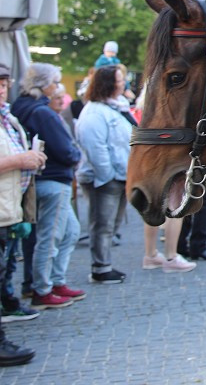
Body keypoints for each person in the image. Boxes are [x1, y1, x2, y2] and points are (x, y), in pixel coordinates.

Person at [9, 64, 84, 309]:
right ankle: (43, 288)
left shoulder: (21, 108)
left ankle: (53, 281)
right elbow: (65, 150)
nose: (56, 88)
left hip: (42, 179)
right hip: (52, 179)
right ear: (43, 86)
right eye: (54, 83)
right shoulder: (41, 112)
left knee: (67, 232)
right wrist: (74, 156)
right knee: (50, 237)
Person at [0, 64, 45, 367]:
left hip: (8, 209)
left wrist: (31, 158)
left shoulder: (7, 117)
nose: (2, 89)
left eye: (4, 84)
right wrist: (21, 159)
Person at [76, 66, 132, 284]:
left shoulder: (116, 107)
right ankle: (100, 267)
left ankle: (104, 263)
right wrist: (108, 175)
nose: (123, 83)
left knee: (111, 225)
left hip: (119, 176)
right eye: (119, 80)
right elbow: (95, 147)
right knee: (102, 224)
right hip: (105, 179)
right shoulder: (94, 112)